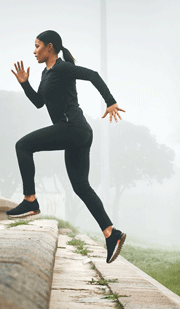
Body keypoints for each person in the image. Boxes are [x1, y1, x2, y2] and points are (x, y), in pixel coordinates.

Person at [8, 30, 126, 263]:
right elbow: (39, 103)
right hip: (78, 132)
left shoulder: (61, 68)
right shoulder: (46, 73)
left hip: (72, 128)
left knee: (23, 146)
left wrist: (110, 101)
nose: (34, 51)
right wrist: (25, 84)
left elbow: (92, 75)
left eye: (37, 46)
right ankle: (111, 234)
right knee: (81, 186)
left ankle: (30, 200)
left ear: (50, 47)